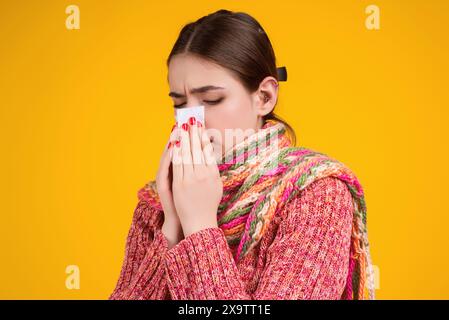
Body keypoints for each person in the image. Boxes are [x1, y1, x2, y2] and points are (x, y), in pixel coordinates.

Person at [109, 9, 375, 300]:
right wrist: (172, 224)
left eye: (212, 99)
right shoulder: (158, 203)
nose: (192, 121)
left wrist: (198, 226)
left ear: (264, 98)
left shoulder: (317, 194)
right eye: (181, 103)